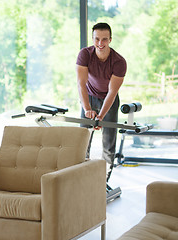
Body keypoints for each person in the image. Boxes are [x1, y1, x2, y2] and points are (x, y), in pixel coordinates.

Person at [76, 22, 127, 175]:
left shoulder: (119, 62)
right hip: (89, 97)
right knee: (82, 139)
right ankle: (80, 175)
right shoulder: (85, 54)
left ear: (110, 39)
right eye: (97, 39)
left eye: (104, 39)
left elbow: (112, 92)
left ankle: (104, 179)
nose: (100, 43)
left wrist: (101, 117)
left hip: (109, 100)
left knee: (108, 141)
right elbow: (81, 84)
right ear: (92, 39)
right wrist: (87, 109)